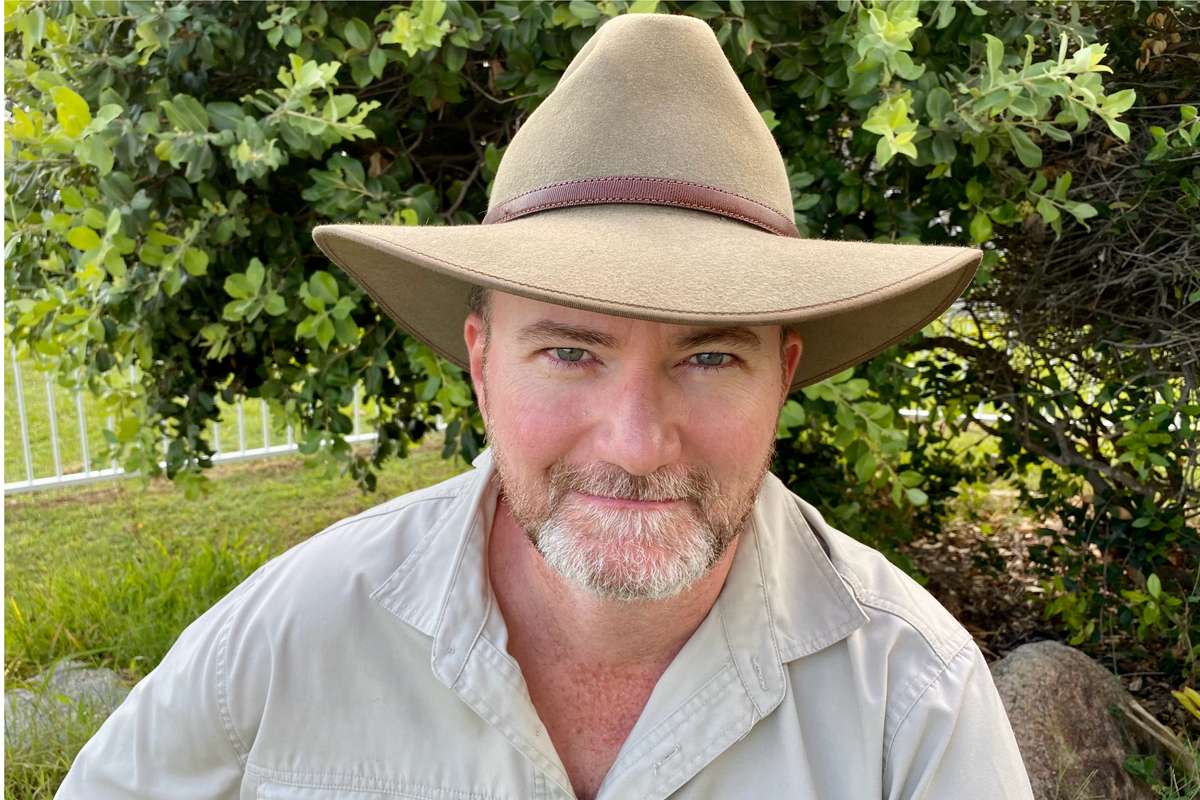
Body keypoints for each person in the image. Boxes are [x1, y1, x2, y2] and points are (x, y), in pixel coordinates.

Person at [58, 11, 1034, 800]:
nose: (637, 444)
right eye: (570, 352)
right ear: (481, 364)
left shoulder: (912, 702)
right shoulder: (286, 641)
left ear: (781, 377)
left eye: (708, 357)